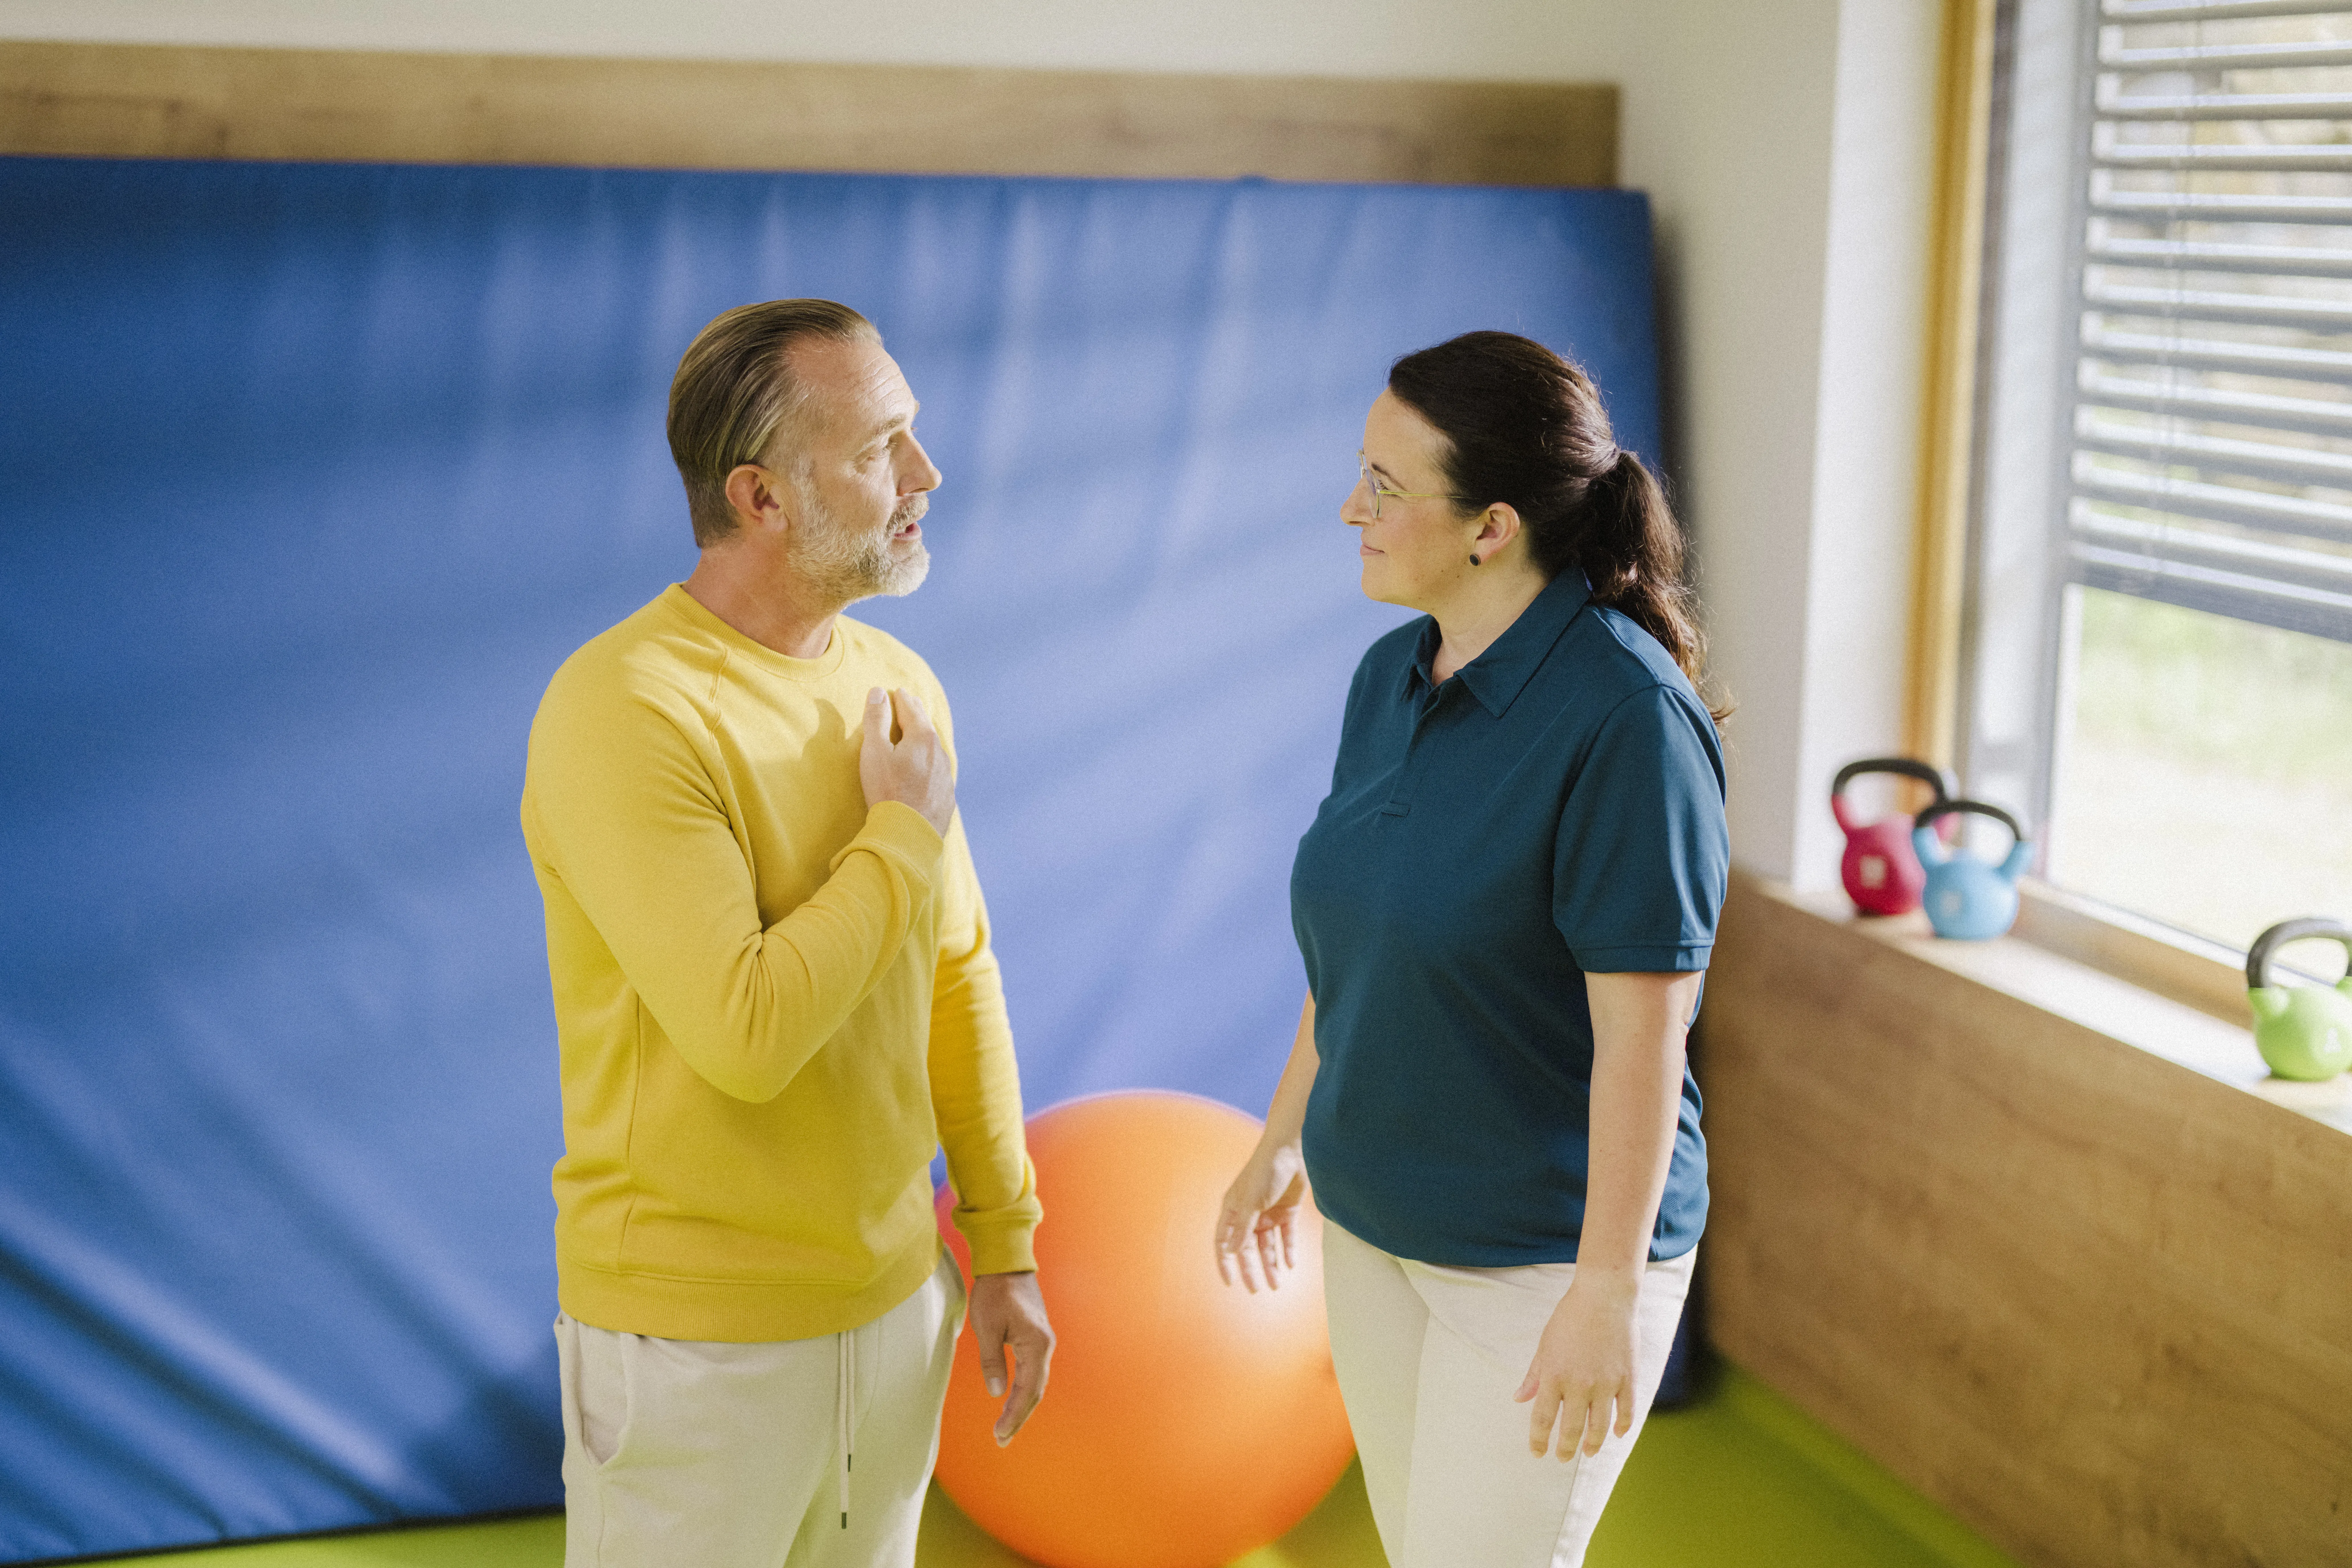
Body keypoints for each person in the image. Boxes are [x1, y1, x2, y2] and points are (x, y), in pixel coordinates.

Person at [520, 299, 1053, 1568]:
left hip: (893, 1314)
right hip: (693, 1352)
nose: (925, 474)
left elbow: (955, 973)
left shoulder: (901, 684)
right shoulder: (625, 709)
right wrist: (901, 838)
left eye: (913, 434)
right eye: (880, 450)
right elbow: (748, 1032)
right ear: (759, 497)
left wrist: (1006, 1243)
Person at [1214, 331, 1729, 1567]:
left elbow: (1644, 1039)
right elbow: (1358, 941)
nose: (1353, 508)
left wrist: (1604, 1289)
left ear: (1493, 525)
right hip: (1375, 1220)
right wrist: (1284, 1133)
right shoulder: (1392, 674)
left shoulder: (1628, 721)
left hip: (1542, 1260)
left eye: (1386, 489)